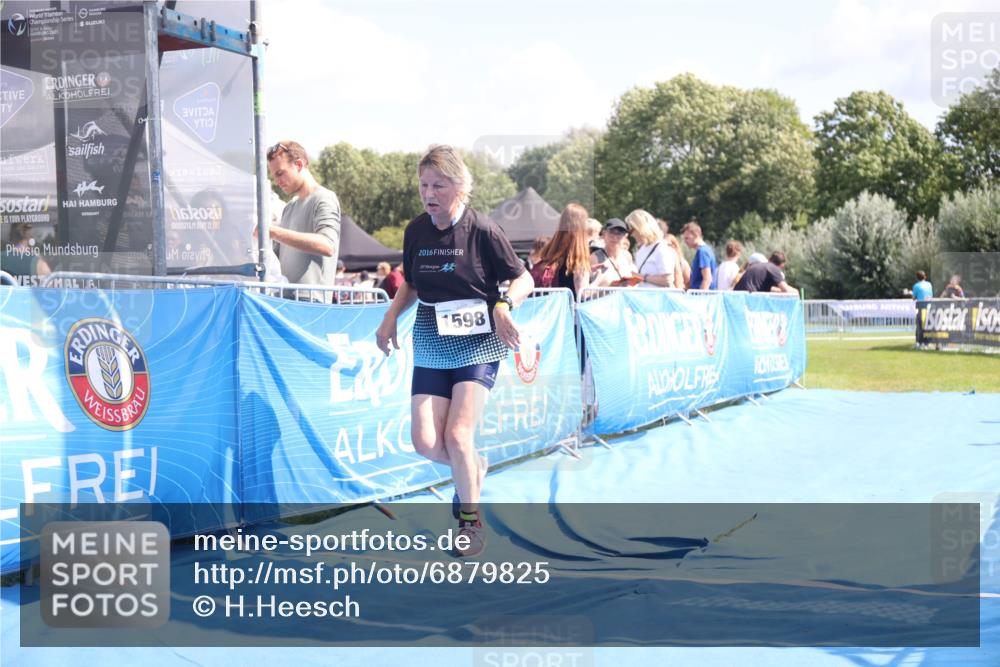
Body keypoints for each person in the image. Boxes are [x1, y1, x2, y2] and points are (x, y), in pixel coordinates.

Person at [375, 145, 533, 557]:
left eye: (438, 186)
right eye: (423, 185)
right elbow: (411, 283)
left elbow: (524, 279)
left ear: (460, 186)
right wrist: (390, 317)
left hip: (480, 337)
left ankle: (470, 522)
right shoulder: (416, 230)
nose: (429, 194)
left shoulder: (483, 230)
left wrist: (504, 305)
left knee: (459, 435)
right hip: (431, 333)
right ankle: (473, 469)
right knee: (425, 442)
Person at [266, 140, 341, 289]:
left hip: (311, 300)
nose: (277, 181)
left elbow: (327, 245)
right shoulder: (289, 207)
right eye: (274, 176)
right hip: (283, 298)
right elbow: (277, 256)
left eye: (280, 173)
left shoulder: (324, 198)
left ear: (299, 165)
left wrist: (274, 232)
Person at [532, 203, 593, 297]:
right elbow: (582, 294)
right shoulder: (578, 260)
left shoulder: (551, 254)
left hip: (547, 304)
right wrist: (601, 281)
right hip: (569, 306)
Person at [625, 209, 674, 287]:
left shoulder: (662, 248)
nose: (631, 235)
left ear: (640, 228)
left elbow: (667, 280)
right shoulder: (641, 250)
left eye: (631, 230)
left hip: (659, 294)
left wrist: (641, 277)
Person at [591, 218, 637, 286]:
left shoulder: (627, 256)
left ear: (625, 237)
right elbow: (592, 286)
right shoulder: (595, 257)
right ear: (604, 234)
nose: (615, 237)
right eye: (611, 232)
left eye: (619, 234)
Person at [681, 221, 716, 290]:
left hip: (703, 295)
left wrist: (700, 295)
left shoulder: (702, 252)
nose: (685, 241)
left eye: (687, 238)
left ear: (696, 235)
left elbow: (707, 279)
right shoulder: (705, 250)